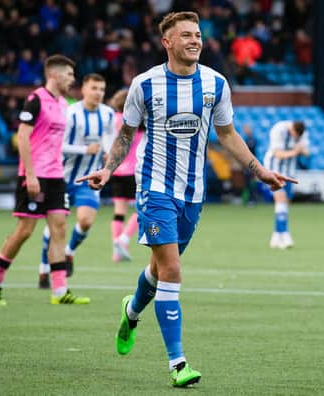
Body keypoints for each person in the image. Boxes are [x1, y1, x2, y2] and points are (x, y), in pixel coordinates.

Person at [77, 12, 295, 387]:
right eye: (186, 35)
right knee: (173, 271)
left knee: (159, 270)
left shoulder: (216, 82)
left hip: (194, 192)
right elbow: (126, 135)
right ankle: (178, 365)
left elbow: (226, 134)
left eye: (197, 35)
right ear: (167, 42)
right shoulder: (144, 85)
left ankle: (131, 311)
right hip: (154, 187)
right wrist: (108, 169)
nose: (195, 40)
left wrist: (259, 171)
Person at [0, 54, 90, 306]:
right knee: (24, 231)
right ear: (54, 74)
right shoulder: (35, 100)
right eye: (68, 74)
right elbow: (22, 138)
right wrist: (30, 175)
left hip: (55, 175)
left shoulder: (64, 104)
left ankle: (59, 291)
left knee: (59, 228)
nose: (72, 79)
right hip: (34, 175)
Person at [38, 73, 115, 288]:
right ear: (83, 89)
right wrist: (84, 149)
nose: (98, 93)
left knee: (86, 220)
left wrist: (108, 153)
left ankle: (69, 251)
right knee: (56, 226)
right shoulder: (70, 114)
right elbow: (57, 145)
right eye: (94, 88)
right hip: (61, 178)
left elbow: (109, 139)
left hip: (88, 178)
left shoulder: (108, 114)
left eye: (101, 89)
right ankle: (44, 269)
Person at [262, 120, 309, 249]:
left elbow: (307, 152)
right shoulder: (279, 130)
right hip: (274, 169)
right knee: (281, 199)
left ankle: (276, 235)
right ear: (292, 129)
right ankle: (285, 234)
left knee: (284, 204)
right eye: (295, 135)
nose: (296, 138)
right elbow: (278, 154)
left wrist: (301, 150)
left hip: (289, 172)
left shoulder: (302, 133)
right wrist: (295, 151)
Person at [108, 88, 143, 262]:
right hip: (133, 170)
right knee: (143, 208)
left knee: (119, 211)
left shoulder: (111, 120)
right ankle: (123, 239)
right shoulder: (136, 122)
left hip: (114, 170)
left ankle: (117, 251)